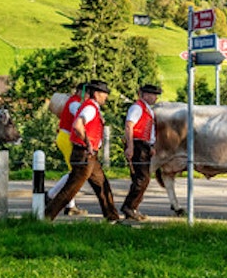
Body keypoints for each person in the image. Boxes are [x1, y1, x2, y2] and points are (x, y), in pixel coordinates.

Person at [45, 80, 121, 222]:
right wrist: (88, 143)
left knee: (103, 186)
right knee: (70, 189)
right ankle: (46, 218)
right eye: (105, 94)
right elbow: (78, 125)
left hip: (89, 156)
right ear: (97, 94)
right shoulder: (90, 108)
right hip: (84, 154)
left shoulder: (91, 106)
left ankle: (113, 218)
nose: (106, 97)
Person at [46, 83, 88, 216]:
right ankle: (62, 201)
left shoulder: (73, 102)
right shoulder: (75, 104)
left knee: (74, 172)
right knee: (75, 172)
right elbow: (81, 120)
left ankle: (54, 196)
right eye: (88, 93)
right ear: (81, 92)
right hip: (67, 137)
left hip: (65, 136)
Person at [120, 83, 161, 221]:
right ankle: (129, 207)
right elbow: (129, 125)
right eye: (152, 94)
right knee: (142, 178)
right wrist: (130, 146)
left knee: (141, 179)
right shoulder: (137, 107)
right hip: (138, 144)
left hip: (144, 145)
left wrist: (151, 145)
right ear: (144, 95)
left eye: (155, 95)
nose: (154, 97)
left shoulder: (147, 109)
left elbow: (149, 130)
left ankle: (133, 208)